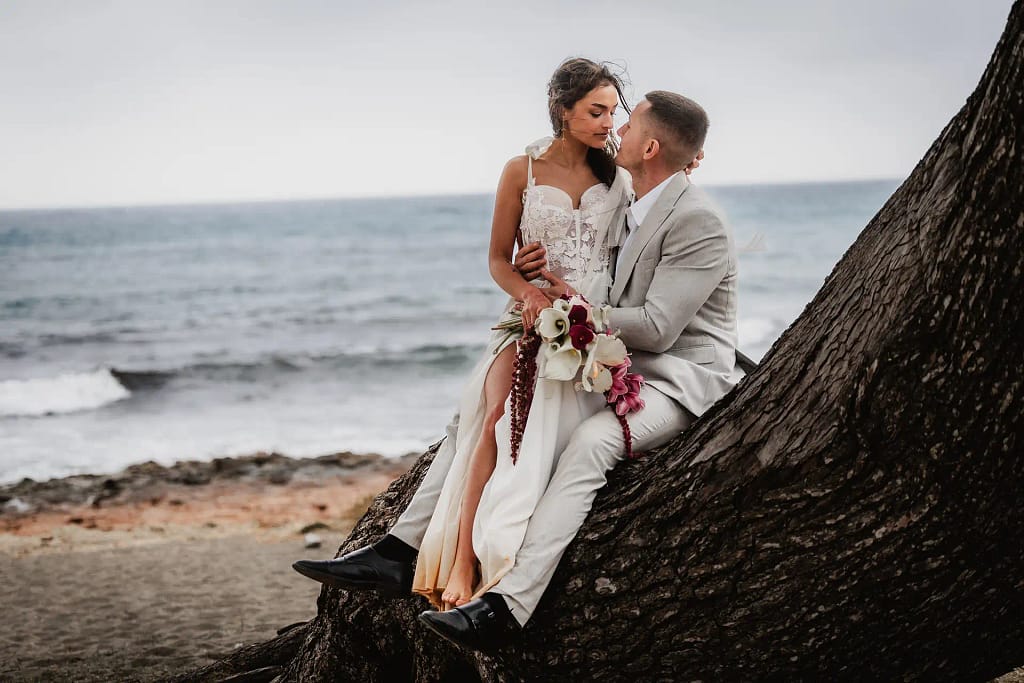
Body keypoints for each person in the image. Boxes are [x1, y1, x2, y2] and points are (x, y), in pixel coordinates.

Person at [295, 78, 738, 653]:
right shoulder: (635, 194)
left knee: (589, 445)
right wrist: (540, 277)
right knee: (485, 410)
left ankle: (507, 605)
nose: (617, 128)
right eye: (607, 115)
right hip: (616, 357)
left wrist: (571, 307)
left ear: (650, 148)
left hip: (677, 378)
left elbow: (656, 327)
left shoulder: (695, 218)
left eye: (627, 123)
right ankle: (402, 550)